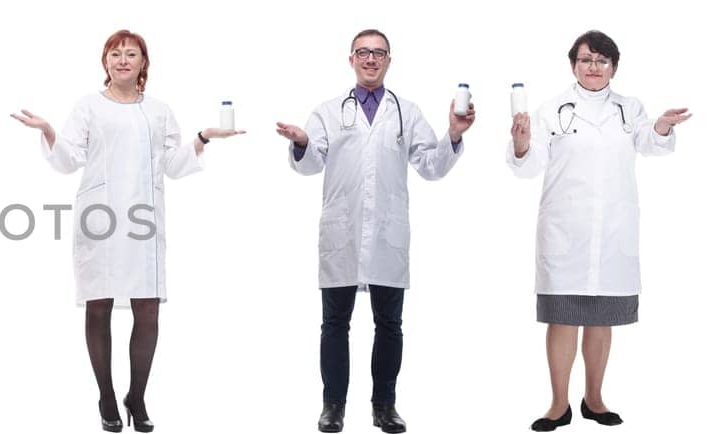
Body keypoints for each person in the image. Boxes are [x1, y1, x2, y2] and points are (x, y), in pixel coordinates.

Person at [9, 29, 242, 433]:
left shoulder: (159, 110)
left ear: (142, 64)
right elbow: (68, 160)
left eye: (130, 54)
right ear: (105, 63)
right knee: (98, 304)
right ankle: (107, 395)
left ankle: (137, 394)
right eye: (114, 54)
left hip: (144, 221)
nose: (122, 60)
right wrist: (48, 130)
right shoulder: (88, 107)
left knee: (147, 307)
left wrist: (203, 138)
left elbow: (171, 163)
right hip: (99, 219)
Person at [274, 29, 474, 434]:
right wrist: (300, 142)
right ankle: (333, 408)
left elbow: (431, 167)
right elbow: (311, 163)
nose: (370, 59)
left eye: (378, 53)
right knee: (334, 324)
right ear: (351, 59)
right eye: (363, 53)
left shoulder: (407, 111)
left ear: (389, 60)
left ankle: (384, 406)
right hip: (342, 235)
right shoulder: (329, 111)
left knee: (390, 325)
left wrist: (453, 134)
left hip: (387, 235)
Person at [508, 30, 690, 432]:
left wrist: (659, 126)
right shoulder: (552, 108)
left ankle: (594, 398)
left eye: (602, 61)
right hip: (565, 233)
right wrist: (521, 144)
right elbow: (529, 164)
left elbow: (650, 144)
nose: (594, 67)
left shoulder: (630, 108)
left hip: (611, 234)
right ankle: (558, 404)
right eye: (586, 59)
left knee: (601, 319)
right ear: (573, 64)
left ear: (614, 67)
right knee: (563, 319)